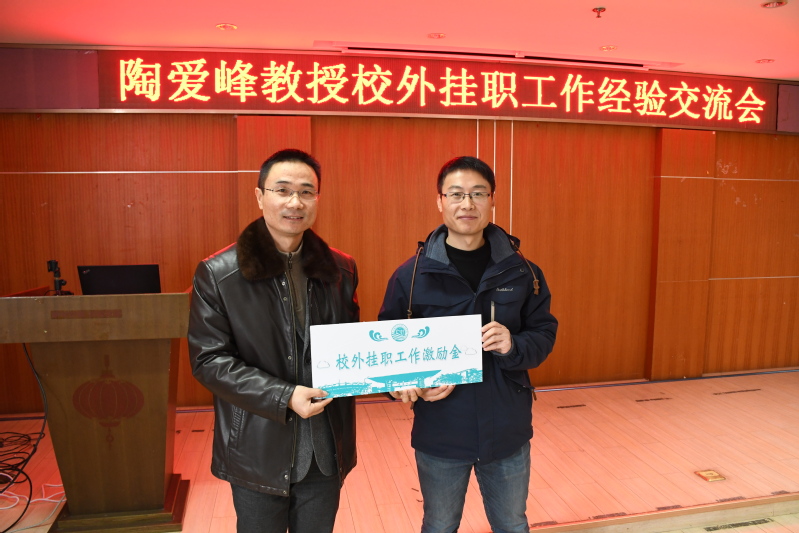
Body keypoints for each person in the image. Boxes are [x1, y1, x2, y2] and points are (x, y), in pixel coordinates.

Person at [378, 156, 557, 533]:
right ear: (439, 201)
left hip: (507, 429)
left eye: (478, 194)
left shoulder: (523, 272)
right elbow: (388, 353)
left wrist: (513, 344)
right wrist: (408, 384)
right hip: (441, 431)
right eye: (456, 194)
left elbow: (543, 334)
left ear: (492, 200)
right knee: (439, 525)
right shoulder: (412, 275)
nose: (467, 204)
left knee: (512, 524)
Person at [188, 149, 360, 533]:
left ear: (317, 198)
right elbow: (209, 361)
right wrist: (283, 396)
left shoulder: (341, 269)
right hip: (257, 447)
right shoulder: (218, 273)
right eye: (282, 190)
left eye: (306, 192)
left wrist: (396, 380)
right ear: (259, 196)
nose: (295, 202)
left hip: (325, 447)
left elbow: (351, 348)